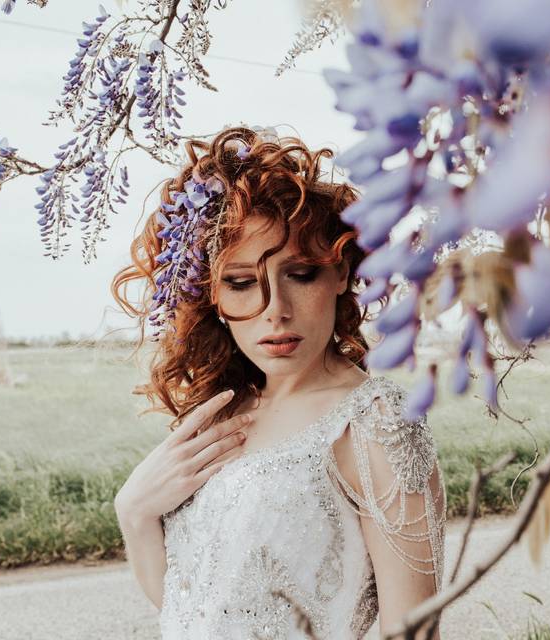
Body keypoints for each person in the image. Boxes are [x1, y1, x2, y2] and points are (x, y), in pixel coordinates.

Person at [110, 126, 446, 639]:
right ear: (214, 299)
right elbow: (191, 612)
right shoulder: (224, 411)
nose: (276, 312)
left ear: (341, 274)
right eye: (242, 284)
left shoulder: (378, 425)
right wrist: (133, 513)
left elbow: (415, 633)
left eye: (302, 274)